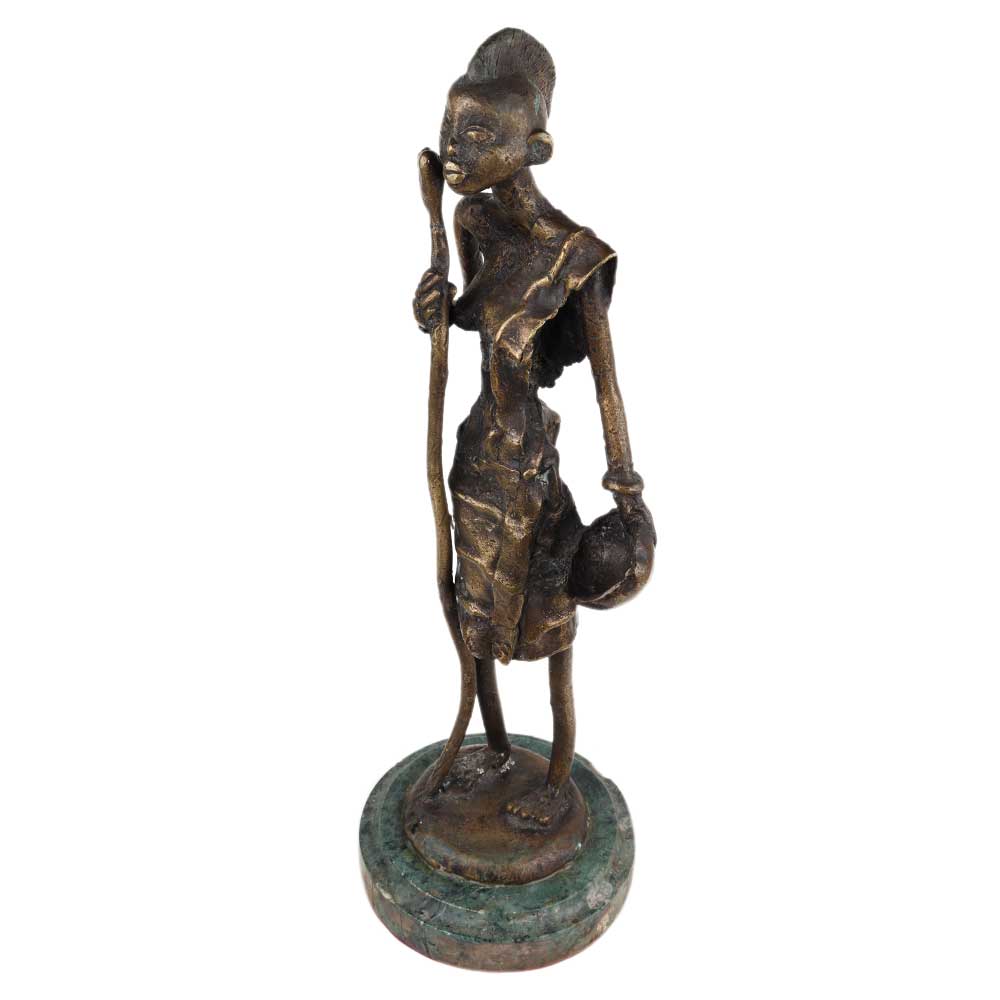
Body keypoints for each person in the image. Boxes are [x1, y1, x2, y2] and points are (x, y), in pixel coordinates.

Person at [413, 28, 654, 827]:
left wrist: (627, 492)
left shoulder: (577, 259)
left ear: (535, 148)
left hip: (531, 472)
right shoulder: (476, 224)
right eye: (452, 130)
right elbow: (475, 312)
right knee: (473, 613)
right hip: (476, 457)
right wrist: (439, 308)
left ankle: (556, 775)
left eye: (479, 134)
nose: (456, 150)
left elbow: (608, 387)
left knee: (548, 623)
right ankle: (487, 742)